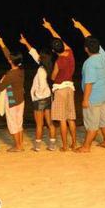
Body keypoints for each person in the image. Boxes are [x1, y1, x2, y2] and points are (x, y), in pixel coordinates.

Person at [72, 19, 105, 153]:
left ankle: (86, 147)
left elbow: (89, 83)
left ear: (86, 49)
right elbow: (91, 38)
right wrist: (80, 26)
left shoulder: (89, 63)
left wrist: (85, 99)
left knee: (92, 123)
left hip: (94, 97)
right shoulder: (103, 55)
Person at [42, 18, 77, 151]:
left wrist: (50, 75)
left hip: (60, 89)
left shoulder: (59, 61)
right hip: (70, 88)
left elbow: (53, 76)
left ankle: (64, 146)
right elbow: (60, 39)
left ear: (53, 50)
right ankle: (74, 143)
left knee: (62, 119)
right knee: (71, 118)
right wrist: (50, 28)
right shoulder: (70, 53)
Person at [19, 33, 57, 151]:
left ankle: (38, 145)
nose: (39, 56)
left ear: (43, 58)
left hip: (40, 99)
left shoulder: (41, 70)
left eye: (40, 55)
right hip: (48, 98)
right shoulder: (49, 66)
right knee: (50, 122)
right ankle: (52, 144)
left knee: (39, 124)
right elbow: (34, 54)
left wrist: (36, 94)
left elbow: (41, 86)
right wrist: (26, 43)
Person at [0, 33, 25, 152]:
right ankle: (20, 144)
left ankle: (17, 146)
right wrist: (1, 43)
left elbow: (0, 88)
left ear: (11, 61)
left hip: (12, 102)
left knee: (13, 125)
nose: (8, 58)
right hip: (21, 100)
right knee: (19, 123)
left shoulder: (10, 75)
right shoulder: (21, 69)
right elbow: (9, 56)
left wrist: (1, 79)